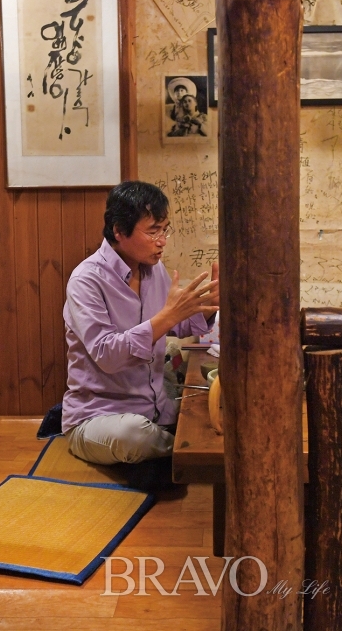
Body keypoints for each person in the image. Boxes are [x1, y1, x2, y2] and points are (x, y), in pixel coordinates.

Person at [62, 181, 219, 468]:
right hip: (100, 416)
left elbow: (176, 325)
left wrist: (208, 307)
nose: (162, 241)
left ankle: (177, 449)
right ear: (119, 231)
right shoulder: (86, 280)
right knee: (132, 434)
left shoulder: (153, 270)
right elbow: (107, 356)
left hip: (154, 409)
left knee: (207, 399)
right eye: (153, 231)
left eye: (165, 230)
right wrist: (168, 316)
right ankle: (191, 452)